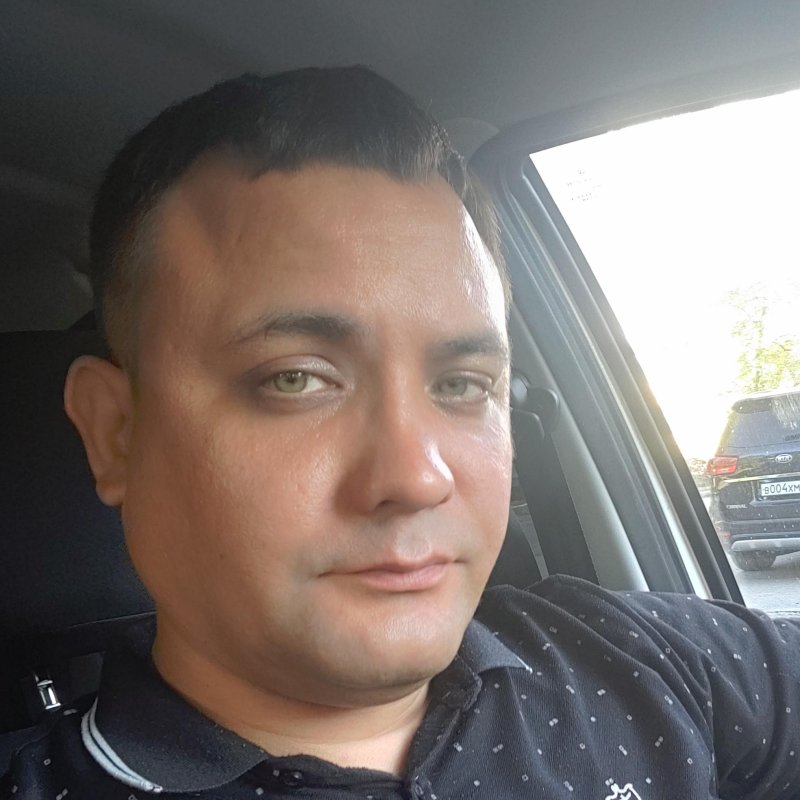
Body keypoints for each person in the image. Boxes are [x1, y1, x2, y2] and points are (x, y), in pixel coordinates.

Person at [2, 66, 800, 800]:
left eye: (461, 385)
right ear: (116, 433)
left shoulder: (639, 653)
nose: (418, 477)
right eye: (295, 379)